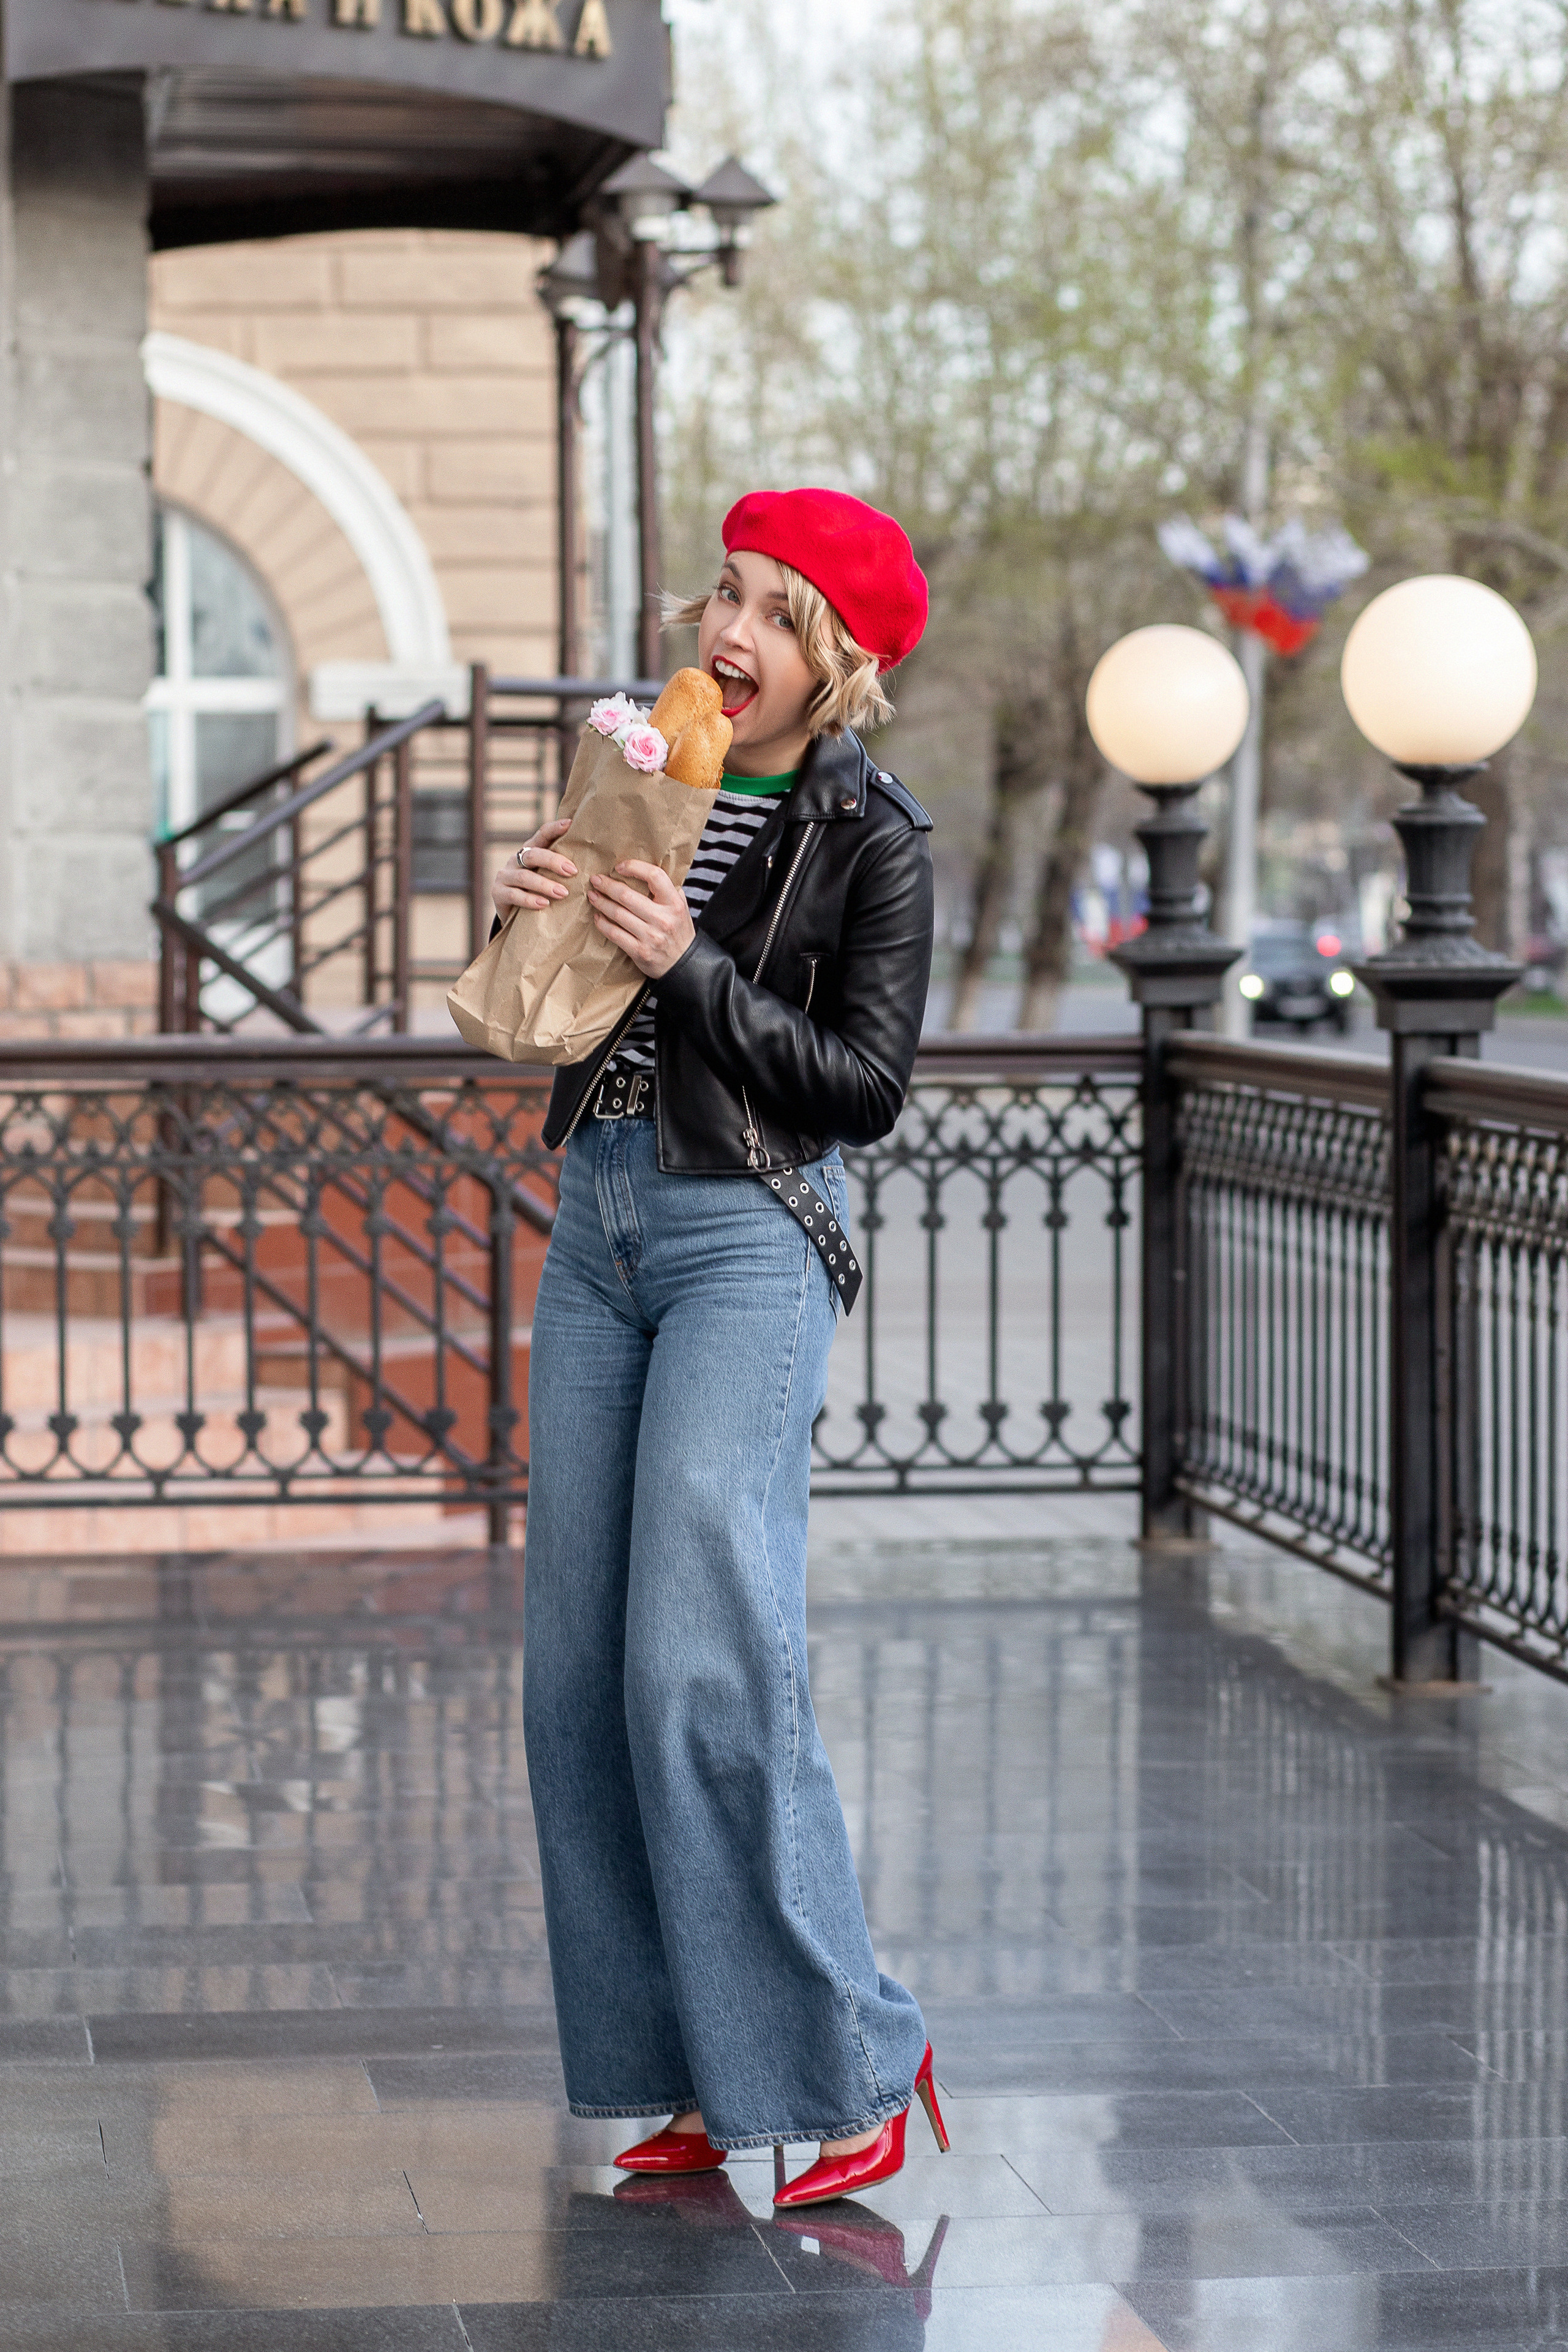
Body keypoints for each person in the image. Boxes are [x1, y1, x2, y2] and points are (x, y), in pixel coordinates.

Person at [495, 488, 948, 2207]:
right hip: (600, 1223)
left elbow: (864, 1087)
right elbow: (557, 1011)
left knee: (705, 1651)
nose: (729, 636)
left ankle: (848, 2062)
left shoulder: (867, 834)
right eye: (725, 598)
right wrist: (540, 911)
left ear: (837, 659)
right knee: (574, 1681)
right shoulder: (647, 780)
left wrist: (684, 961)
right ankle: (689, 2071)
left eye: (774, 612)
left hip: (750, 1235)